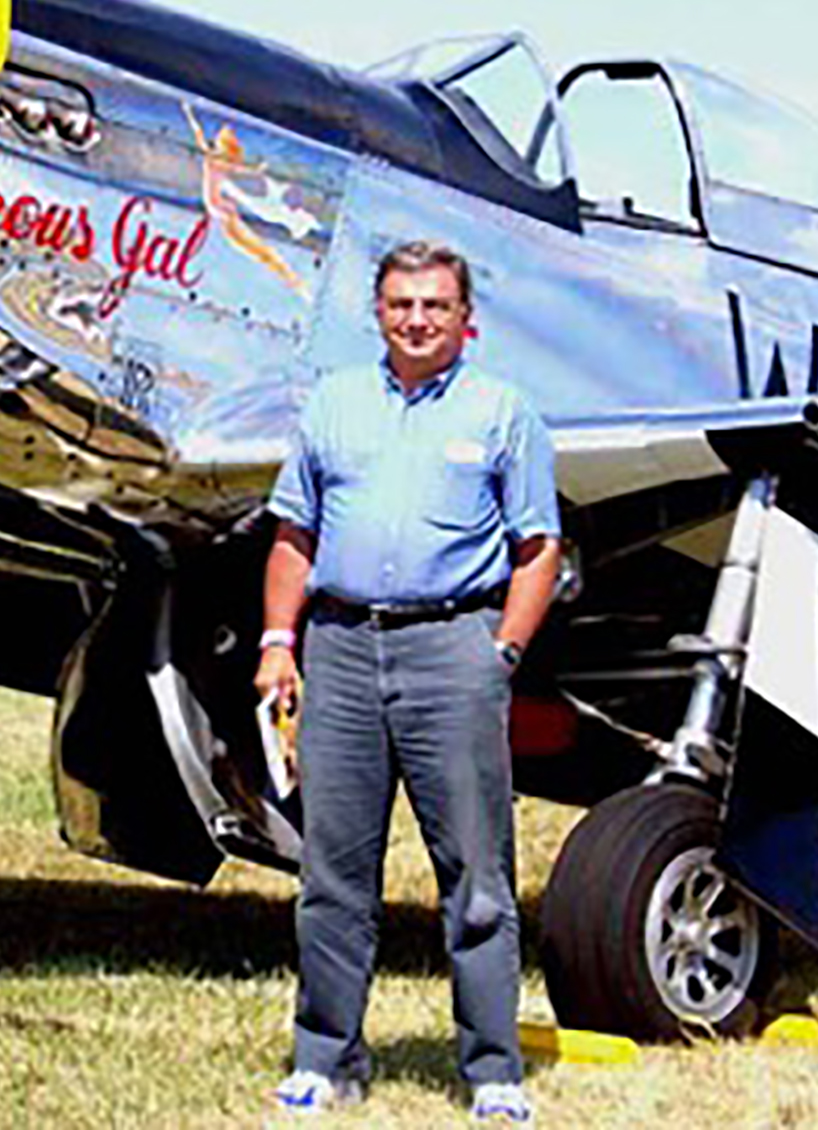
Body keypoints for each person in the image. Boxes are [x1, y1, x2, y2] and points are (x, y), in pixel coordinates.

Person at [255, 241, 561, 1121]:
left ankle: (493, 1071)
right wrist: (281, 640)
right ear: (378, 313)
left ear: (468, 321)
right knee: (332, 876)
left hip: (453, 651)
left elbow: (538, 549)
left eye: (434, 305)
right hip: (342, 651)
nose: (417, 319)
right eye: (400, 304)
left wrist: (499, 653)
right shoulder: (334, 404)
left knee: (475, 879)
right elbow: (293, 536)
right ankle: (325, 1059)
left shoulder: (505, 412)